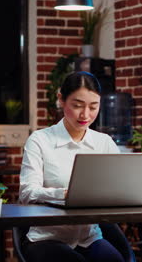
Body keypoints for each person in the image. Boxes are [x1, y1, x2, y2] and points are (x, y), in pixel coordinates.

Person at [19, 71, 124, 262]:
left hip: (89, 238)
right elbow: (27, 192)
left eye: (93, 107)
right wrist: (65, 194)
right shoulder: (40, 140)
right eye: (77, 106)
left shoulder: (104, 143)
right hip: (46, 239)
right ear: (61, 100)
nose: (85, 115)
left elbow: (118, 187)